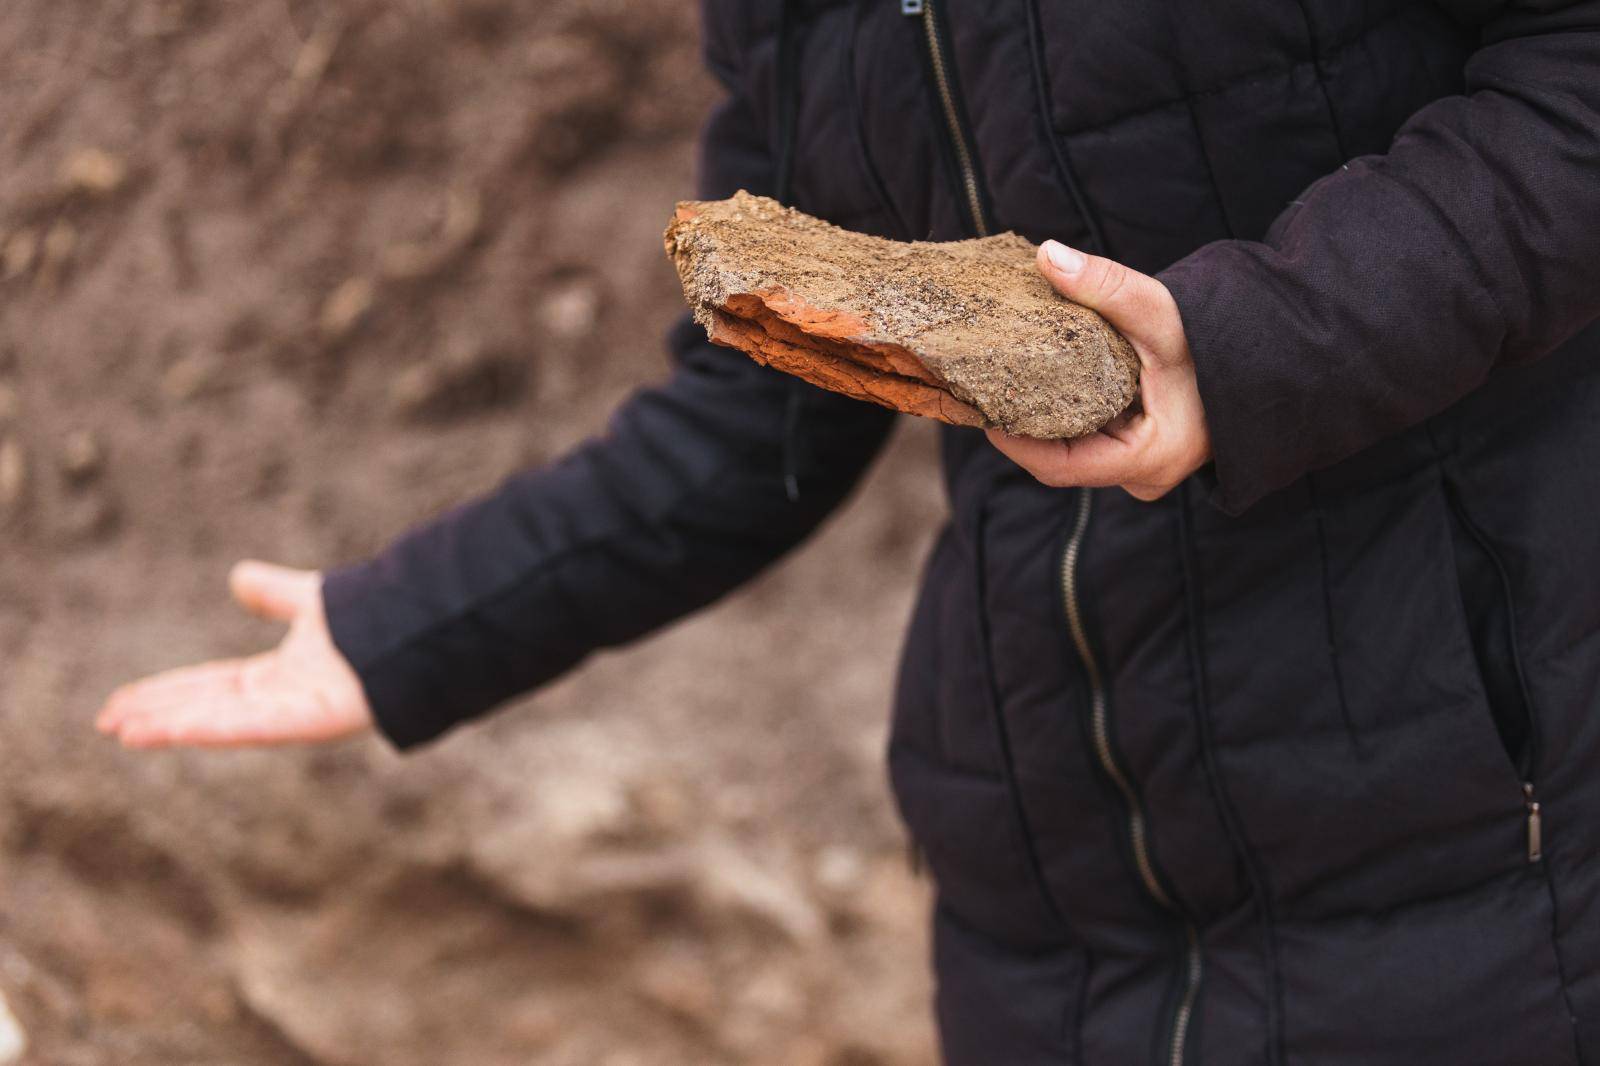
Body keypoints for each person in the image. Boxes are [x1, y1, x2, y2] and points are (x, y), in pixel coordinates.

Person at [96, 1, 1600, 1062]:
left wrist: (1253, 340)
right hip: (1052, 928)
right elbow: (763, 411)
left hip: (1471, 860)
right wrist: (405, 624)